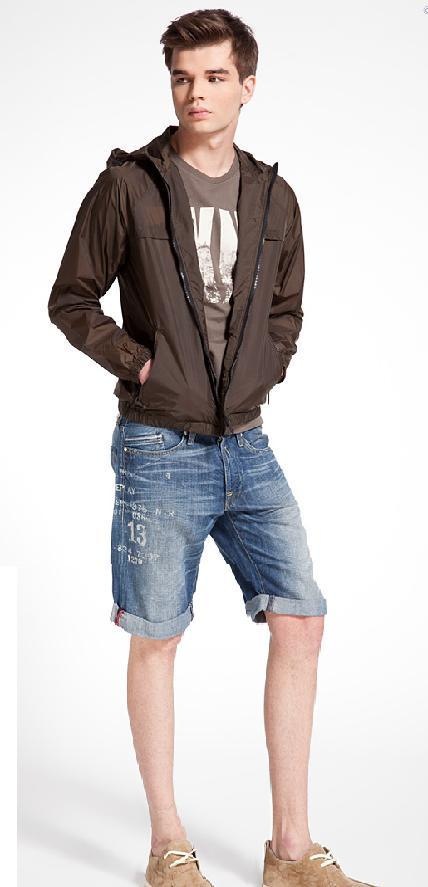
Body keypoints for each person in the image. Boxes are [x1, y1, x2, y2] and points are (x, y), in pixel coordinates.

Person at [48, 9, 379, 887]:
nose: (196, 93)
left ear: (247, 86)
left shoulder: (274, 196)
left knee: (301, 617)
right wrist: (139, 363)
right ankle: (168, 844)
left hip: (248, 444)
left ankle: (291, 851)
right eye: (183, 78)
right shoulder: (130, 185)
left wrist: (266, 368)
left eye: (214, 77)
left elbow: (286, 309)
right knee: (158, 635)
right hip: (158, 446)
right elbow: (71, 298)